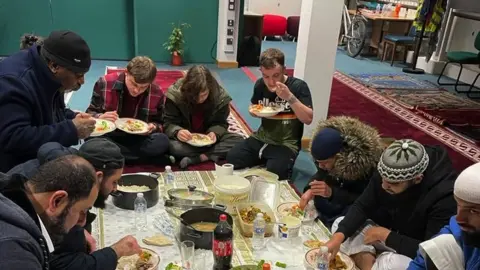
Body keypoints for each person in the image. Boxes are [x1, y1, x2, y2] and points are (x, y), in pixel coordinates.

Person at [325, 139, 457, 270]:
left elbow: (432, 253)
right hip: (391, 235)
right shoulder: (388, 168)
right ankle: (372, 263)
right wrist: (338, 238)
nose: (383, 186)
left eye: (393, 183)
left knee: (392, 263)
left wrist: (386, 236)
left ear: (417, 179)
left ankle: (371, 260)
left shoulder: (443, 196)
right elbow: (362, 205)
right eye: (382, 179)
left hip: (414, 248)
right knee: (340, 225)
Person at [0, 30, 95, 172]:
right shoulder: (15, 83)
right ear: (54, 66)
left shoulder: (49, 71)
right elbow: (13, 138)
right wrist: (71, 130)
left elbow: (49, 111)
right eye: (78, 75)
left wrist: (76, 118)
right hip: (12, 172)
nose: (82, 81)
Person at [226, 48, 313, 180]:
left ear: (284, 70)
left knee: (276, 172)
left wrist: (290, 97)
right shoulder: (260, 85)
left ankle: (271, 161)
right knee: (232, 158)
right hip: (261, 138)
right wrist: (254, 112)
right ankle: (265, 158)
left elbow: (308, 119)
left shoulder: (298, 86)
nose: (271, 82)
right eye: (266, 76)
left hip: (286, 143)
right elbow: (254, 107)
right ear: (261, 71)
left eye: (276, 75)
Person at [0, 155, 100, 269]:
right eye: (82, 211)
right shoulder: (17, 254)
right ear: (57, 201)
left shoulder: (9, 189)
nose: (82, 222)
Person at [299, 116, 383, 228]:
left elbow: (365, 201)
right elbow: (321, 174)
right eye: (318, 162)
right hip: (337, 196)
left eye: (324, 162)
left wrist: (332, 193)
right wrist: (310, 189)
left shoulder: (366, 166)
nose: (320, 166)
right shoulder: (327, 159)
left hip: (356, 206)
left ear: (340, 156)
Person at [86, 56, 170, 165]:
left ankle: (115, 157)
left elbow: (161, 123)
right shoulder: (104, 83)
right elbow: (90, 114)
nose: (137, 90)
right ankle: (140, 159)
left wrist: (153, 127)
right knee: (90, 140)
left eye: (143, 87)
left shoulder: (156, 92)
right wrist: (99, 117)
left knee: (162, 141)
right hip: (110, 136)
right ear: (126, 72)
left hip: (139, 139)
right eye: (134, 84)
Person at [164, 65, 245, 169]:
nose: (199, 99)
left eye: (203, 95)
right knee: (173, 147)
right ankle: (211, 153)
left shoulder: (220, 97)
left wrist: (215, 133)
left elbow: (221, 123)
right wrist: (177, 131)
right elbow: (168, 122)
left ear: (210, 90)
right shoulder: (176, 94)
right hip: (186, 141)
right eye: (194, 96)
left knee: (239, 141)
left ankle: (201, 157)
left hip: (209, 140)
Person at [408, 162, 480, 270]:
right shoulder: (458, 230)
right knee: (441, 245)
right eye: (458, 205)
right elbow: (420, 263)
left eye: (473, 211)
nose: (459, 219)